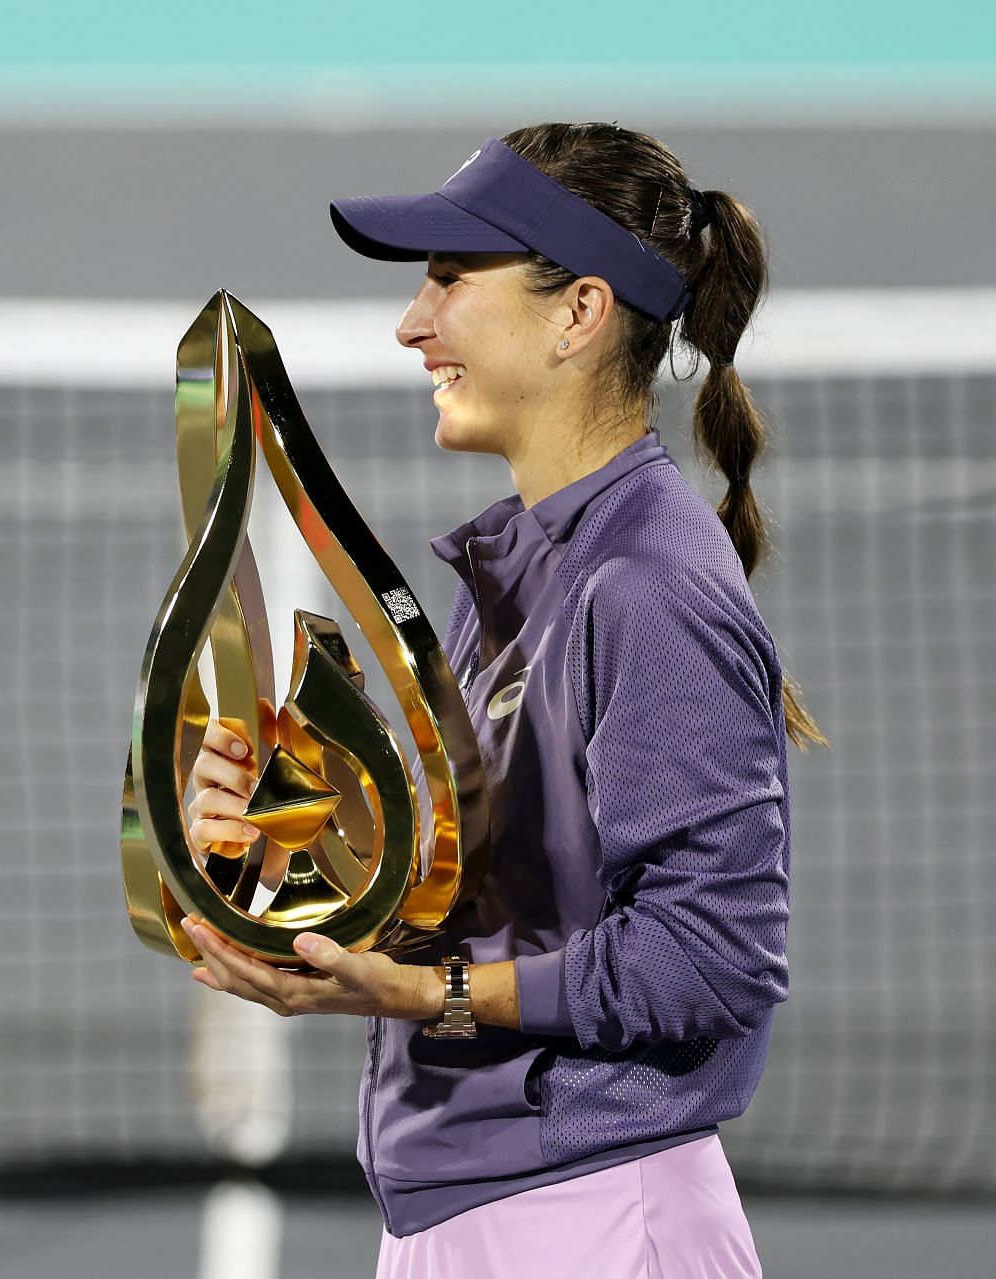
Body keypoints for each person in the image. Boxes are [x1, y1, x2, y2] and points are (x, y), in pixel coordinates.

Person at [179, 122, 827, 1278]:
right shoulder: (525, 567)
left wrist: (429, 992)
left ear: (578, 313)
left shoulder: (647, 586)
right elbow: (502, 891)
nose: (413, 323)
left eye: (449, 280)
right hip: (473, 1210)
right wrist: (290, 841)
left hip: (590, 1217)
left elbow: (707, 958)